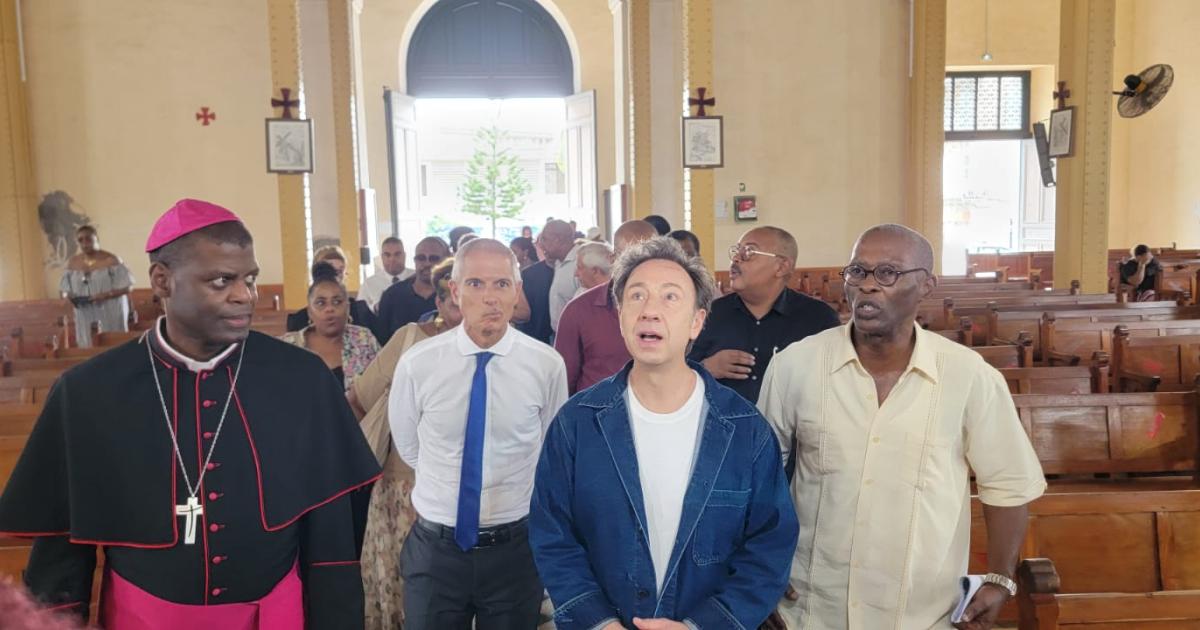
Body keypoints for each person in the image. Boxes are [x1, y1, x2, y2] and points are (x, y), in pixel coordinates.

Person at [0, 198, 381, 629]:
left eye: (249, 279)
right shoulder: (87, 392)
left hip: (273, 617)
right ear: (162, 281)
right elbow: (60, 556)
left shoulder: (302, 379)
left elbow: (330, 543)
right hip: (142, 619)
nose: (245, 295)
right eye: (222, 281)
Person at [758, 224, 1046, 630]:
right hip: (811, 608)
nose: (868, 286)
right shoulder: (796, 366)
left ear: (926, 284)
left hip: (922, 613)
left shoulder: (968, 377)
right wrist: (758, 572)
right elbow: (758, 477)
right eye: (858, 272)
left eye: (888, 273)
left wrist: (1000, 578)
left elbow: (1009, 484)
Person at [530, 237, 798, 630]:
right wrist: (598, 621)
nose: (650, 310)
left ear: (697, 321)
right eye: (637, 297)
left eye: (670, 297)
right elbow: (553, 536)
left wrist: (701, 625)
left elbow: (768, 548)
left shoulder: (744, 430)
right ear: (620, 316)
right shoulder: (577, 423)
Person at [388, 238, 567, 629]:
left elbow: (549, 446)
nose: (490, 297)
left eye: (502, 284)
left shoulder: (546, 365)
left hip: (513, 551)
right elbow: (409, 445)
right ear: (454, 291)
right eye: (475, 284)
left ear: (517, 292)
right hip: (437, 550)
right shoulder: (419, 364)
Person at [349, 259, 462, 630]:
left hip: (469, 489)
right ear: (441, 302)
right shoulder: (411, 339)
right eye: (456, 301)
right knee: (408, 579)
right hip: (405, 483)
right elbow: (361, 396)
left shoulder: (500, 347)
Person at [689, 227, 840, 403]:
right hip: (722, 427)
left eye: (749, 252)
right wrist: (705, 369)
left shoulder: (818, 318)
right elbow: (674, 375)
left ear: (781, 267)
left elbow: (837, 383)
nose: (736, 259)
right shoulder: (709, 314)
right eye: (736, 251)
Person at [554, 220, 657, 395]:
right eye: (632, 258)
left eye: (651, 258)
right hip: (595, 417)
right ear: (613, 259)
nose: (642, 267)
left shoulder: (675, 308)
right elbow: (563, 383)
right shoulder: (579, 311)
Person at [280, 261, 380, 391]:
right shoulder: (289, 346)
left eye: (337, 302)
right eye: (321, 303)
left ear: (348, 308)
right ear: (309, 312)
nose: (330, 309)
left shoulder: (364, 340)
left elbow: (383, 385)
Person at [59, 225, 134, 348]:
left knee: (112, 344)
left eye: (88, 239)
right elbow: (64, 289)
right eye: (80, 240)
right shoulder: (73, 262)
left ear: (96, 238)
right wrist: (69, 298)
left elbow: (128, 287)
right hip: (84, 312)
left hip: (110, 309)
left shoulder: (111, 260)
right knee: (87, 344)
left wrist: (105, 295)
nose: (84, 243)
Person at [286, 245, 378, 340]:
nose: (335, 277)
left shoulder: (360, 311)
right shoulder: (298, 320)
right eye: (329, 271)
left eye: (339, 271)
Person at [377, 236, 450, 341]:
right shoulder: (392, 295)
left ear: (446, 260)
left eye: (434, 258)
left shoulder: (453, 296)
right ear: (414, 260)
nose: (427, 263)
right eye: (421, 258)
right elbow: (382, 340)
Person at [540, 219, 581, 332]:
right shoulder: (558, 262)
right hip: (559, 336)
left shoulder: (581, 263)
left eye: (544, 239)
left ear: (557, 240)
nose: (541, 244)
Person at [359, 237, 415, 312]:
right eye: (387, 255)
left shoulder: (416, 278)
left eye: (397, 254)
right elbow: (360, 311)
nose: (392, 259)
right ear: (382, 257)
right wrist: (375, 307)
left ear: (404, 255)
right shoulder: (369, 284)